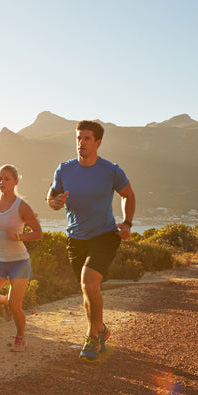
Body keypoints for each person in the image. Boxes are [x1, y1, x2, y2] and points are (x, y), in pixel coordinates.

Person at [47, 120, 135, 361]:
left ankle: (91, 337)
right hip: (76, 237)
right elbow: (51, 196)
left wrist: (127, 223)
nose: (81, 143)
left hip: (105, 234)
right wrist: (54, 203)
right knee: (88, 289)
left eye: (86, 139)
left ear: (98, 142)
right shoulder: (64, 169)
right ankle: (101, 330)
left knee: (89, 283)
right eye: (78, 138)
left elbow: (128, 194)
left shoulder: (111, 170)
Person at [0, 164, 42, 352]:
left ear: (15, 182)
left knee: (17, 307)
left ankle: (20, 337)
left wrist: (19, 237)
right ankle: (4, 302)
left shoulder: (22, 207)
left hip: (19, 262)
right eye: (0, 178)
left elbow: (38, 233)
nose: (2, 182)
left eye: (7, 179)